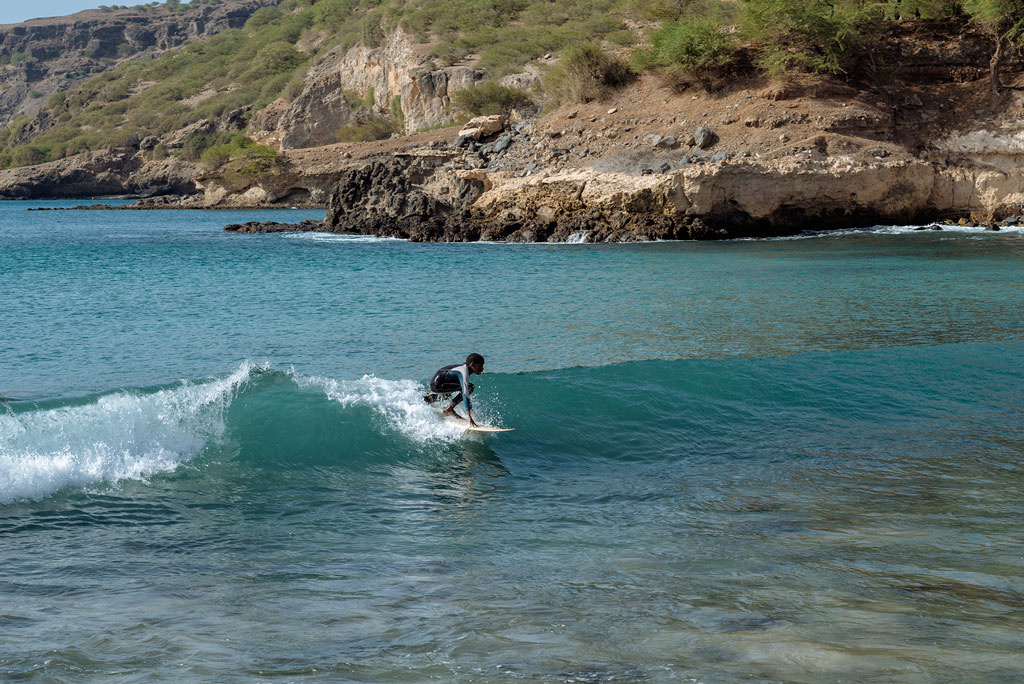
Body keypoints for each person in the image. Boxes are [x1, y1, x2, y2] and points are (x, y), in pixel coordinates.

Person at [424, 353, 485, 427]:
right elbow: (465, 393)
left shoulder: (464, 368)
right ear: (472, 364)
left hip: (437, 382)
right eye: (480, 365)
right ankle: (449, 409)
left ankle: (429, 398)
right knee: (469, 388)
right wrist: (469, 416)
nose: (482, 368)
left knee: (448, 395)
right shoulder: (464, 372)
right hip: (437, 384)